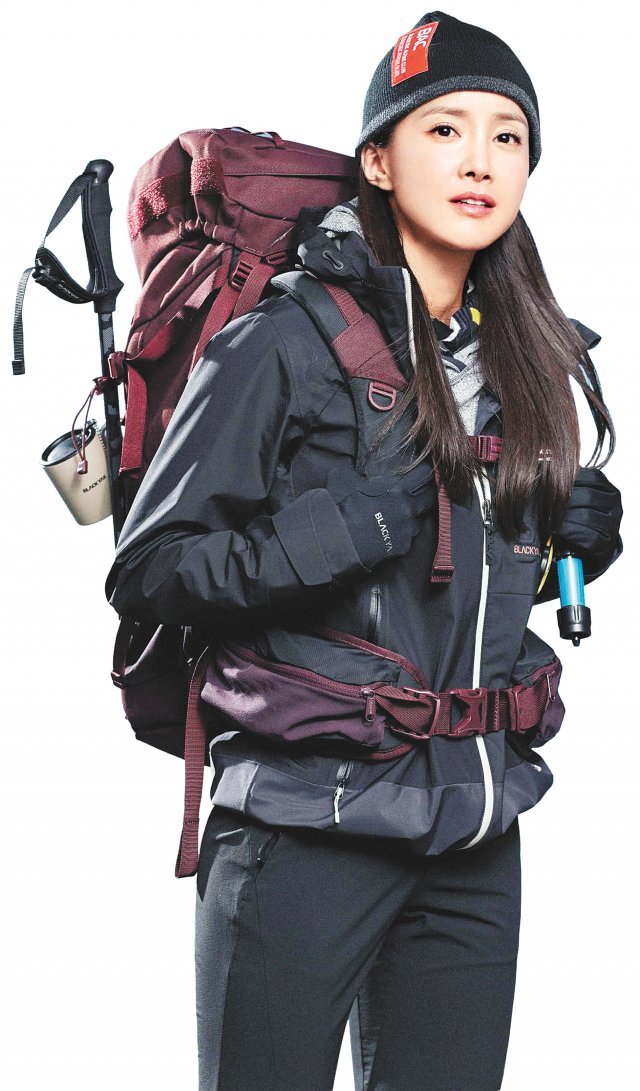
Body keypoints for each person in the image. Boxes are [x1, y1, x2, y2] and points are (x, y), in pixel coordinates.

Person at [105, 10, 623, 1090]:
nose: (480, 160)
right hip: (303, 822)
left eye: (507, 136)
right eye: (444, 129)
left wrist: (570, 539)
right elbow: (152, 568)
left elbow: (461, 587)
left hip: (474, 827)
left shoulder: (528, 355)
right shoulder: (279, 342)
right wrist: (345, 529)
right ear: (379, 160)